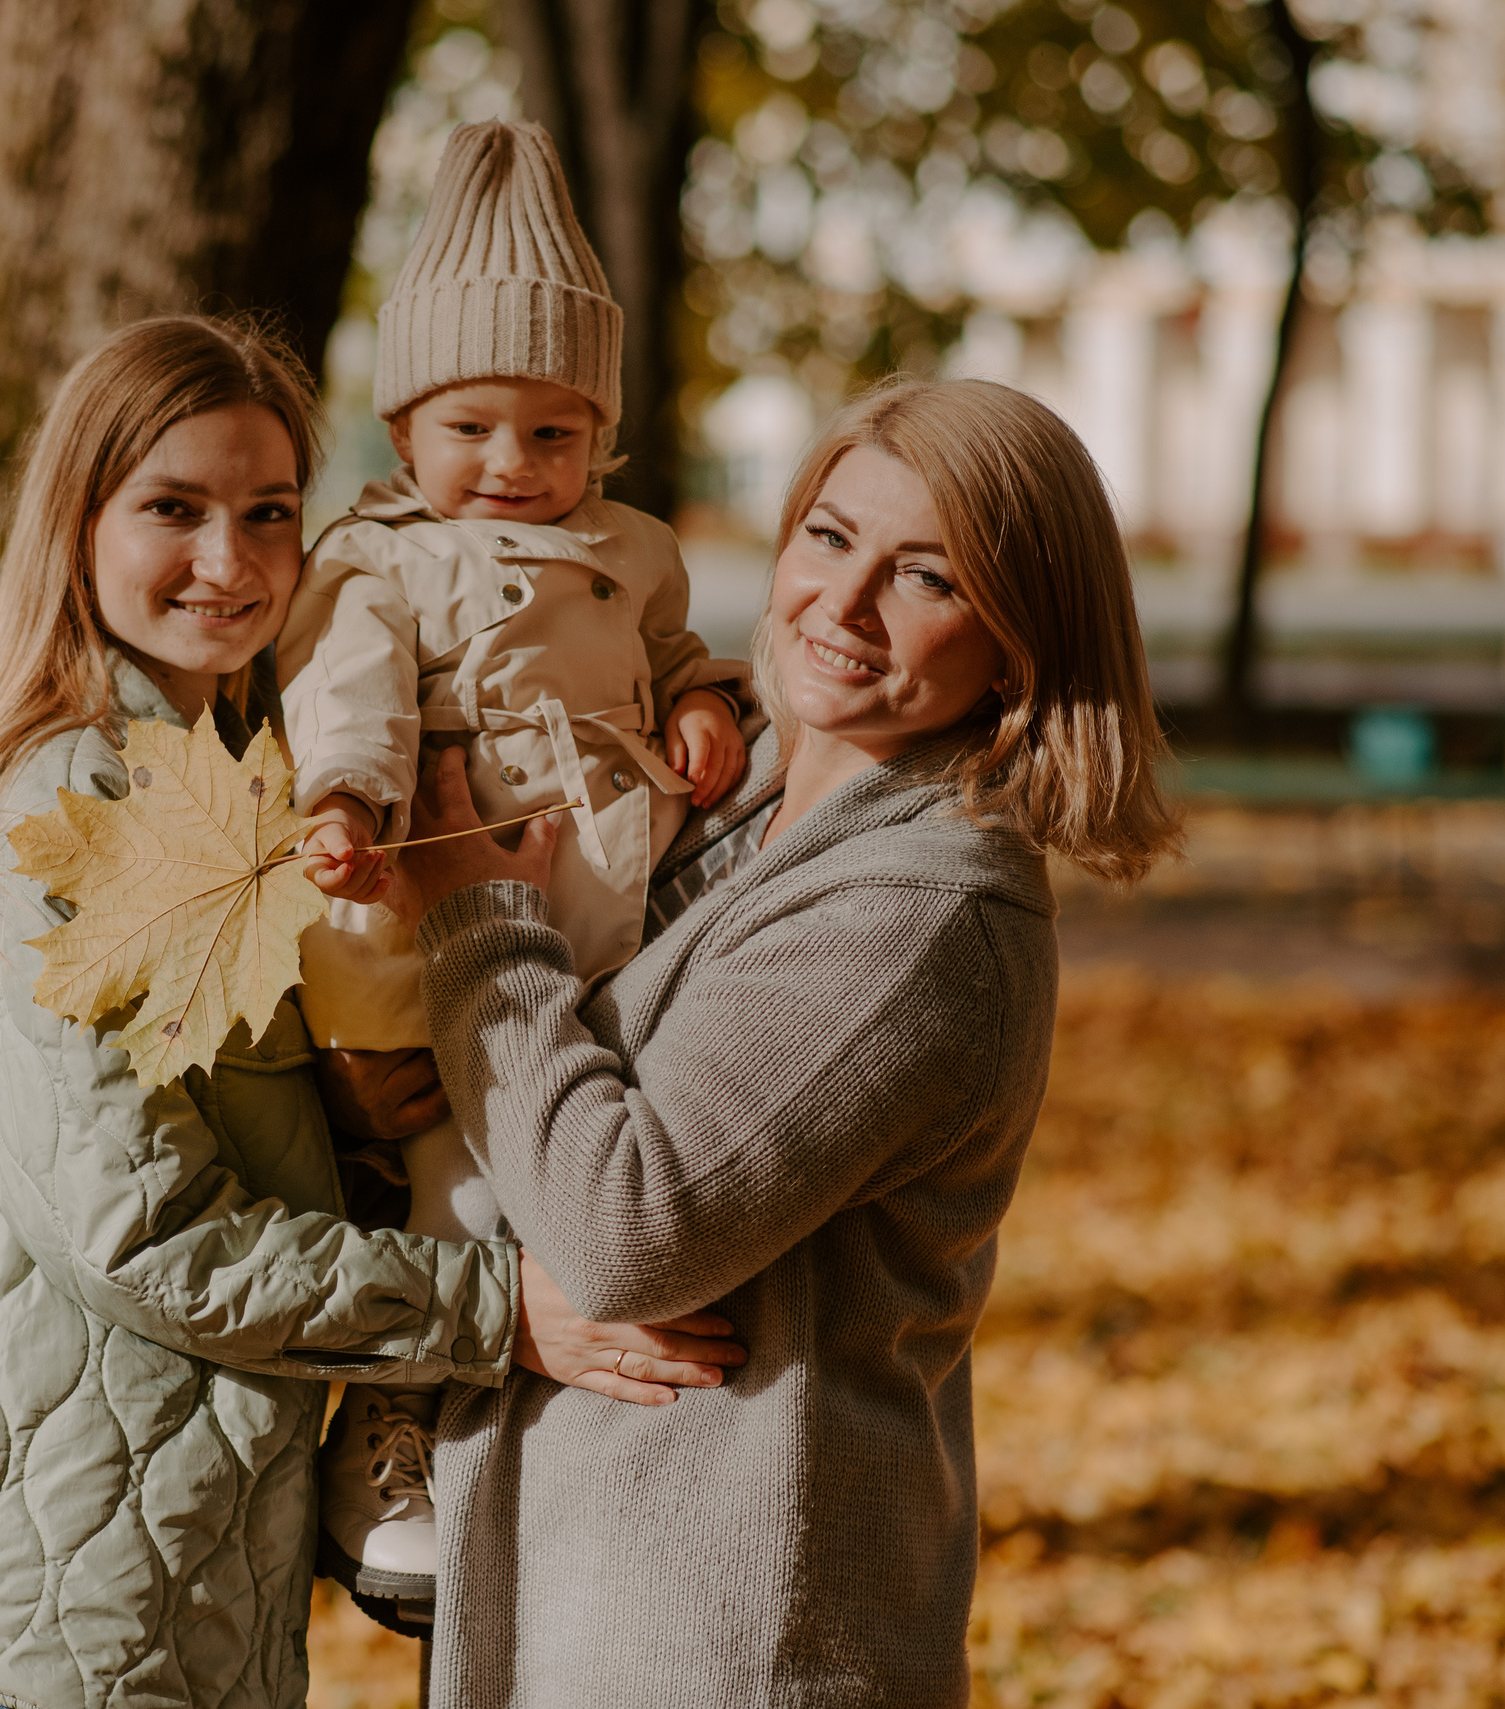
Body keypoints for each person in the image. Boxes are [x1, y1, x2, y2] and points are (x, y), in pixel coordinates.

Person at [0, 314, 745, 1709]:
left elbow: (179, 1142)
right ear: (77, 522)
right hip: (33, 1637)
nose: (232, 561)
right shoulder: (57, 813)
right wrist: (502, 1308)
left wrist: (346, 1110)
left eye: (268, 513)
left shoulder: (230, 790)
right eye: (173, 510)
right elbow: (149, 1235)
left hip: (178, 1605)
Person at [395, 377, 1183, 1707]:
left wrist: (476, 929)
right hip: (583, 1602)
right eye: (831, 537)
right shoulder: (718, 803)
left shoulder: (924, 911)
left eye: (925, 578)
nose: (847, 604)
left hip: (732, 1641)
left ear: (1017, 642)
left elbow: (626, 1227)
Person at [276, 117, 748, 1598]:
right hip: (424, 910)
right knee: (459, 1186)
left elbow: (678, 652)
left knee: (585, 1168)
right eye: (471, 426)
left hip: (600, 918)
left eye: (554, 430)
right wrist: (347, 802)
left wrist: (702, 704)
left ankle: (556, 1438)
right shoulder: (377, 562)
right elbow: (343, 697)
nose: (513, 463)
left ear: (600, 434)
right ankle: (390, 1436)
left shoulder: (638, 547)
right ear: (405, 427)